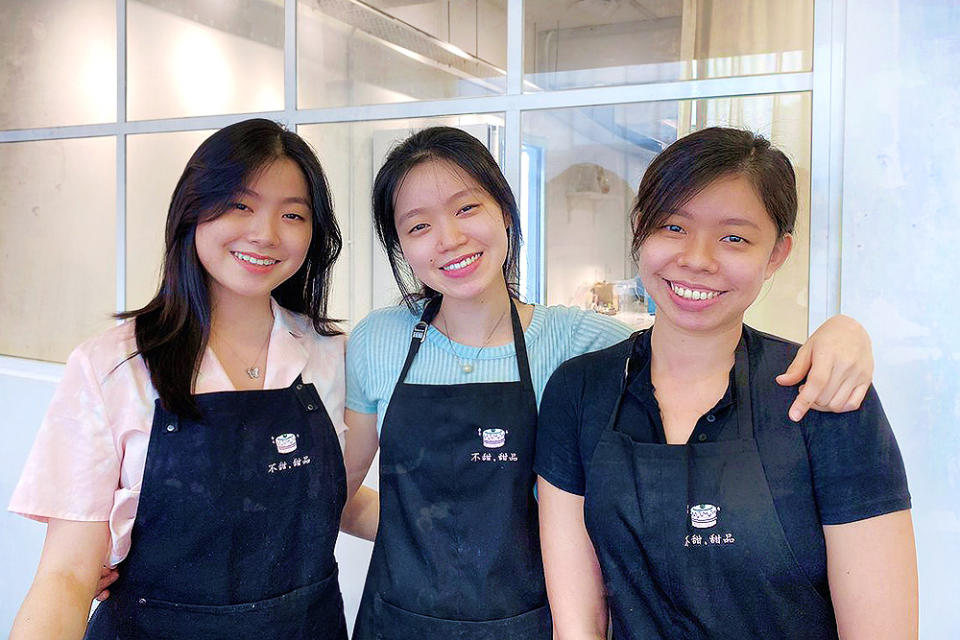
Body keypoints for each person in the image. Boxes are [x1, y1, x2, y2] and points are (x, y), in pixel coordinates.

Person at [342, 126, 877, 639]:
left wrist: (842, 333)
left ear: (504, 211)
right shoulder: (377, 341)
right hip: (399, 619)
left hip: (539, 619)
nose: (449, 239)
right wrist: (431, 537)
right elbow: (336, 495)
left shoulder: (584, 348)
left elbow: (694, 334)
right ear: (400, 245)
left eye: (466, 208)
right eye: (418, 226)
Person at [535, 127, 917, 639]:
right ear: (639, 229)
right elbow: (578, 625)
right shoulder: (580, 391)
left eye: (734, 237)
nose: (697, 258)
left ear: (776, 255)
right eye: (673, 227)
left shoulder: (822, 396)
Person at [9, 119, 360, 640]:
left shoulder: (332, 355)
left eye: (292, 214)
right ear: (192, 209)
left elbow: (338, 496)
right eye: (241, 205)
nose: (265, 233)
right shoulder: (113, 367)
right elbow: (65, 575)